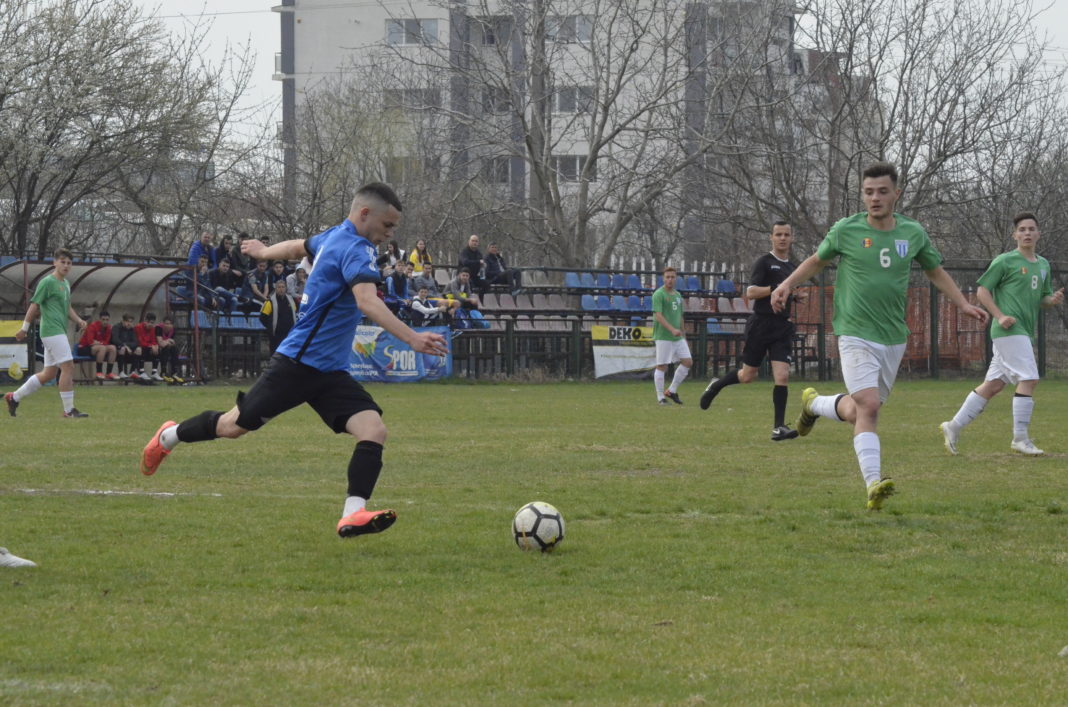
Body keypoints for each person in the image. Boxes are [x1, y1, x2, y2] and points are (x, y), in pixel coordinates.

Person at [140, 182, 448, 540]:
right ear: (365, 214)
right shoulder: (357, 249)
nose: (390, 234)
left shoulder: (334, 236)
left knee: (373, 430)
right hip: (296, 366)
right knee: (232, 427)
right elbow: (366, 301)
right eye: (388, 225)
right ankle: (168, 436)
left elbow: (299, 245)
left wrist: (264, 251)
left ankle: (353, 514)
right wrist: (413, 339)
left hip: (330, 371)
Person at [770, 162, 988, 510]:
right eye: (869, 192)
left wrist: (962, 303)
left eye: (883, 191)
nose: (875, 198)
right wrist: (785, 283)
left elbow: (935, 271)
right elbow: (816, 260)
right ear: (862, 194)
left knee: (860, 413)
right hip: (854, 332)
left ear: (896, 194)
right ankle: (874, 484)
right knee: (870, 407)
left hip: (892, 337)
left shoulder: (913, 233)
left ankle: (814, 404)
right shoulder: (846, 230)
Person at [940, 212, 1064, 456]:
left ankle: (953, 426)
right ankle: (1020, 439)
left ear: (1038, 234)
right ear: (1014, 235)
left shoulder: (1043, 265)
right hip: (1008, 330)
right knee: (1029, 379)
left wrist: (1053, 300)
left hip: (1023, 332)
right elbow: (983, 291)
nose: (1027, 233)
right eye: (1022, 229)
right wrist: (1000, 316)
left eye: (1031, 229)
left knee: (994, 385)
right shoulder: (1005, 261)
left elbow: (1042, 299)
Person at [700, 222, 804, 441]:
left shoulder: (792, 267)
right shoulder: (764, 262)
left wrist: (794, 296)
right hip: (761, 324)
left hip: (782, 326)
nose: (782, 238)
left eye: (786, 234)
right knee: (748, 376)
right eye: (778, 234)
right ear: (771, 237)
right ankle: (716, 384)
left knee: (782, 375)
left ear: (792, 238)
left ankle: (778, 427)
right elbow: (751, 292)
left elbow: (785, 293)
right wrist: (775, 289)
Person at [5, 247, 89, 418]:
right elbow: (34, 305)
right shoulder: (47, 282)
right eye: (62, 262)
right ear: (55, 262)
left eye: (69, 263)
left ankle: (14, 397)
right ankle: (69, 410)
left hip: (58, 331)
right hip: (51, 331)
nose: (66, 265)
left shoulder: (65, 284)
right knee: (68, 366)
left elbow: (67, 307)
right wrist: (24, 328)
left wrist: (79, 320)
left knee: (49, 373)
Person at [651, 266, 692, 405]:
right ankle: (660, 397)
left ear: (676, 278)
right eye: (667, 277)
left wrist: (683, 332)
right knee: (662, 366)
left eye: (672, 277)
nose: (670, 279)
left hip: (678, 337)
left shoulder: (678, 295)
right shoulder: (658, 294)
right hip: (663, 336)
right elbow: (658, 316)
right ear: (663, 278)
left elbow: (680, 315)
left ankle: (671, 390)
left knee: (687, 362)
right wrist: (671, 329)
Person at [77, 310, 118, 380]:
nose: (105, 321)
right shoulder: (93, 326)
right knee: (102, 348)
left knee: (113, 348)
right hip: (83, 348)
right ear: (100, 319)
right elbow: (90, 342)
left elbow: (107, 342)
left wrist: (98, 342)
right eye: (103, 319)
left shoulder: (108, 328)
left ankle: (109, 373)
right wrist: (100, 343)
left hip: (97, 347)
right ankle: (99, 372)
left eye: (107, 320)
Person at [260, 279, 298, 353]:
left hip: (289, 334)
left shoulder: (292, 300)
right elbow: (263, 317)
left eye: (283, 287)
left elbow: (295, 313)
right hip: (276, 335)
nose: (281, 289)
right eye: (279, 287)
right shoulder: (270, 301)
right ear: (276, 288)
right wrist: (270, 328)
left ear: (286, 288)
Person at [134, 312, 163, 381]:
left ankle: (154, 372)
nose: (151, 325)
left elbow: (153, 340)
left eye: (152, 323)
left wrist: (155, 345)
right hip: (139, 348)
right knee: (142, 349)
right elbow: (140, 342)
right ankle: (141, 372)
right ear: (145, 321)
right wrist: (151, 346)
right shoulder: (138, 327)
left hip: (148, 349)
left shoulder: (152, 329)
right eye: (149, 322)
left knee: (157, 349)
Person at [155, 315, 184, 384]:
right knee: (166, 348)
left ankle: (174, 373)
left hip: (166, 348)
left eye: (170, 324)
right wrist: (168, 340)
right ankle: (163, 372)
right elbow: (160, 343)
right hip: (155, 348)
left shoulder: (172, 330)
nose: (168, 325)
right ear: (163, 323)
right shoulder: (158, 328)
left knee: (174, 349)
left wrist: (166, 342)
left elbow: (173, 343)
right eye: (166, 323)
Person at [113, 313, 141, 379]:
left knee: (138, 349)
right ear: (123, 321)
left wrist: (127, 345)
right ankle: (121, 372)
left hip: (129, 352)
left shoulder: (132, 330)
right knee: (122, 348)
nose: (129, 323)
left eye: (131, 322)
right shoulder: (116, 327)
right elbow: (115, 340)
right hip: (117, 352)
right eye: (127, 321)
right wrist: (124, 345)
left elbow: (136, 342)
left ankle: (132, 372)